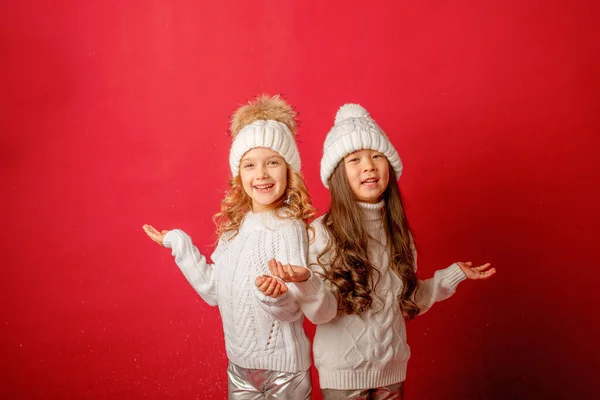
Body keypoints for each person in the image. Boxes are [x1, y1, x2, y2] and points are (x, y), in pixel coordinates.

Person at [267, 103, 496, 399]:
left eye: (377, 156)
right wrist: (306, 282)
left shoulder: (397, 232)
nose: (369, 166)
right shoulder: (321, 232)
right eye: (355, 159)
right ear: (338, 174)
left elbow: (405, 299)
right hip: (343, 374)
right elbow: (321, 314)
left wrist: (450, 277)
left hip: (393, 370)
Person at [142, 95, 315, 400]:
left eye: (272, 162)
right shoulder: (233, 230)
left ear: (289, 171)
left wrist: (276, 297)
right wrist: (179, 244)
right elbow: (212, 291)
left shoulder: (290, 227)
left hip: (284, 372)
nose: (260, 174)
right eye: (249, 165)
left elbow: (295, 308)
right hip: (238, 367)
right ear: (239, 176)